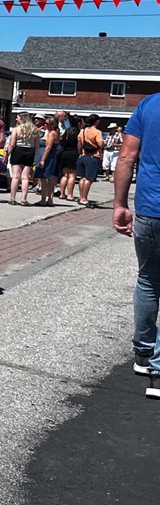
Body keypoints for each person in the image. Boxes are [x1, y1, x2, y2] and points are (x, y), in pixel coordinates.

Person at [112, 92, 160, 399]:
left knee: (148, 279)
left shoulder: (148, 105)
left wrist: (119, 203)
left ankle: (143, 353)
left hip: (148, 208)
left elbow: (127, 156)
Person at [5, 112, 39, 205]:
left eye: (18, 118)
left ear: (22, 118)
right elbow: (37, 145)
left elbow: (12, 144)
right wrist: (35, 156)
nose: (16, 119)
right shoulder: (34, 129)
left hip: (18, 151)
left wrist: (7, 155)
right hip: (29, 152)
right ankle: (24, 199)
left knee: (15, 176)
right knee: (25, 177)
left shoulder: (16, 129)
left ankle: (12, 198)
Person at [76, 114, 104, 208]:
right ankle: (84, 198)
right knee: (89, 178)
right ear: (96, 121)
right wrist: (104, 144)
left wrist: (80, 153)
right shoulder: (97, 132)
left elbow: (79, 144)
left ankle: (81, 197)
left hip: (83, 156)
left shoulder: (82, 131)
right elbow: (100, 144)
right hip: (93, 156)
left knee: (82, 178)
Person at [33, 116, 60, 206]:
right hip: (47, 157)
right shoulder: (50, 133)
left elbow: (48, 147)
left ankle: (45, 199)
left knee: (46, 178)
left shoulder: (52, 133)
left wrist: (43, 160)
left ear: (53, 124)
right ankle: (48, 199)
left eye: (47, 124)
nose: (45, 125)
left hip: (47, 158)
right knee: (46, 179)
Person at [55, 110, 79, 201]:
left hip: (64, 153)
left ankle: (62, 194)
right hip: (73, 153)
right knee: (72, 175)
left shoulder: (66, 132)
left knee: (65, 175)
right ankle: (70, 195)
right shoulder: (78, 132)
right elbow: (79, 144)